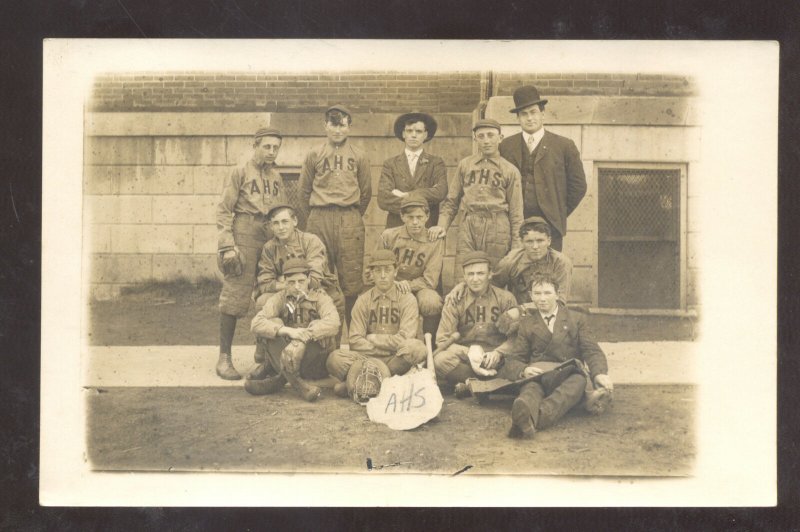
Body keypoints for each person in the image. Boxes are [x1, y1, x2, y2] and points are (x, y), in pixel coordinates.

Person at [492, 274, 612, 438]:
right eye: (537, 293)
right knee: (529, 390)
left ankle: (533, 418)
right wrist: (524, 370)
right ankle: (524, 409)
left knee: (578, 382)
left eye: (547, 293)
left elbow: (591, 350)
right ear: (531, 295)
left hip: (568, 374)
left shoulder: (576, 319)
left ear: (557, 294)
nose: (542, 299)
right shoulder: (527, 324)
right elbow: (515, 359)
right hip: (539, 375)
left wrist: (599, 373)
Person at [215, 127, 286, 380]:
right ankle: (224, 358)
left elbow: (280, 212)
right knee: (235, 293)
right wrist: (227, 245)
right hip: (244, 229)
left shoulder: (277, 177)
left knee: (268, 291)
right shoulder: (240, 172)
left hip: (269, 233)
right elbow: (224, 209)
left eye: (276, 147)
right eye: (267, 146)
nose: (271, 151)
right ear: (255, 145)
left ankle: (263, 354)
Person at [299, 104, 372, 327]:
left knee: (351, 281)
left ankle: (354, 338)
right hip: (319, 217)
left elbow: (366, 191)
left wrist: (350, 214)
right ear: (325, 125)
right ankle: (325, 337)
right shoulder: (314, 154)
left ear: (349, 127)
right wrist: (315, 216)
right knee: (319, 275)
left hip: (349, 218)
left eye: (342, 125)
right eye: (333, 124)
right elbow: (304, 191)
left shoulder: (359, 155)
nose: (337, 130)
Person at [254, 203, 345, 373]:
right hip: (287, 291)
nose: (281, 227)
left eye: (285, 222)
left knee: (336, 299)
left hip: (316, 289)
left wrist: (289, 280)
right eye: (276, 223)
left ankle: (331, 352)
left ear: (295, 221)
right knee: (262, 301)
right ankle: (268, 356)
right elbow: (265, 282)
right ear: (271, 226)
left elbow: (315, 278)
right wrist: (290, 285)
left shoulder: (310, 241)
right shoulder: (269, 248)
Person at [327, 250, 427, 395]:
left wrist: (374, 339)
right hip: (368, 358)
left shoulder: (407, 298)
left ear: (395, 271)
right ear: (371, 274)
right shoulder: (363, 300)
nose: (383, 275)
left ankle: (363, 382)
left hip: (395, 358)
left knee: (417, 348)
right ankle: (383, 382)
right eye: (378, 271)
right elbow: (355, 341)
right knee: (334, 359)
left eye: (387, 270)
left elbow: (406, 338)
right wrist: (384, 348)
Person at [499, 85, 587, 252]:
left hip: (550, 224)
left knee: (547, 272)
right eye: (524, 114)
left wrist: (558, 212)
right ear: (517, 118)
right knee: (515, 270)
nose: (529, 118)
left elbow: (579, 186)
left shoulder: (564, 146)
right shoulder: (505, 146)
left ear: (543, 114)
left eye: (533, 112)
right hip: (514, 222)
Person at [430, 119, 523, 272]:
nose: (486, 140)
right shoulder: (465, 165)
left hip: (497, 225)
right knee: (464, 272)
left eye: (491, 135)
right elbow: (451, 201)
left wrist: (516, 246)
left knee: (494, 274)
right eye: (481, 136)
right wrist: (442, 225)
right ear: (475, 139)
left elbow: (516, 212)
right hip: (468, 223)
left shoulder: (510, 170)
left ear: (500, 138)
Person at [248, 258, 341, 402]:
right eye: (291, 282)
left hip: (314, 361)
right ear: (285, 282)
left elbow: (334, 323)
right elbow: (256, 323)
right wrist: (286, 330)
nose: (297, 286)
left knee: (319, 325)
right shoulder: (281, 297)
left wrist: (301, 340)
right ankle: (298, 384)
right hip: (289, 356)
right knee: (273, 322)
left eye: (301, 281)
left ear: (309, 279)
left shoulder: (320, 297)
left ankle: (279, 379)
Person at [443, 216, 573, 310]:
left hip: (548, 313)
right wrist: (462, 285)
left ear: (549, 241)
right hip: (518, 318)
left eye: (540, 241)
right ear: (522, 242)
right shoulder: (512, 260)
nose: (535, 246)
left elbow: (559, 303)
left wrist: (521, 310)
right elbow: (490, 284)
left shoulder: (561, 263)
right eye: (529, 241)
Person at [433, 251, 518, 395]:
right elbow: (442, 339)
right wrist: (468, 353)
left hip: (496, 358)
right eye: (470, 274)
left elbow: (516, 338)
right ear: (464, 276)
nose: (475, 279)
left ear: (490, 274)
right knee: (440, 360)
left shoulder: (505, 298)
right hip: (466, 360)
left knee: (517, 365)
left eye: (480, 273)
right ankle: (485, 385)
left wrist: (499, 353)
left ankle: (471, 385)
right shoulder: (455, 300)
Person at [370, 195, 444, 337]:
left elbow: (430, 280)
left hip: (419, 288)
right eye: (410, 217)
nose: (415, 222)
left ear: (427, 216)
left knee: (432, 302)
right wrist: (394, 284)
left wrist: (408, 286)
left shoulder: (434, 241)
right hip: (391, 286)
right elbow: (374, 268)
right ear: (402, 216)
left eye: (419, 217)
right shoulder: (389, 236)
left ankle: (431, 347)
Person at [377, 112, 447, 230]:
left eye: (418, 131)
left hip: (426, 226)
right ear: (404, 134)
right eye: (409, 131)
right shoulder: (390, 164)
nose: (413, 135)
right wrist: (423, 200)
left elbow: (440, 192)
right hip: (397, 226)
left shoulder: (436, 163)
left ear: (425, 134)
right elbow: (383, 199)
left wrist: (408, 195)